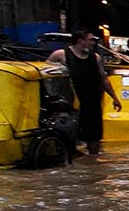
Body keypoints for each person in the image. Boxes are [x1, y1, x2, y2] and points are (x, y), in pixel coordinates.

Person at [46, 27, 121, 156]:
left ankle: (93, 161)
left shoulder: (95, 57)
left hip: (92, 101)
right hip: (69, 103)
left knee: (94, 136)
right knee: (69, 135)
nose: (93, 43)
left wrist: (115, 98)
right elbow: (46, 76)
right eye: (90, 40)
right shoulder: (60, 55)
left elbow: (104, 79)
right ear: (81, 41)